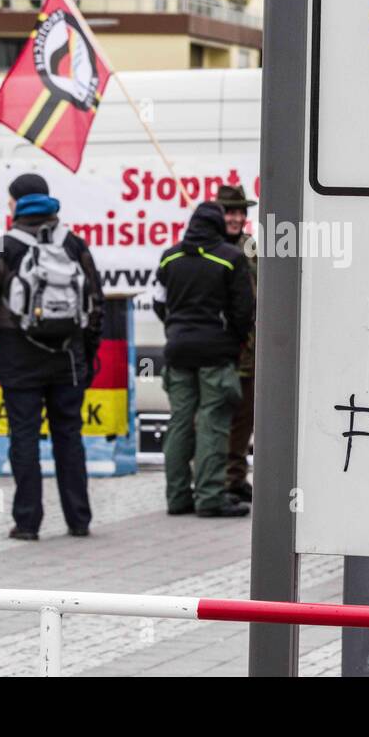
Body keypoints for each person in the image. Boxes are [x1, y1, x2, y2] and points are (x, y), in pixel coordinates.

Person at [0, 173, 104, 540]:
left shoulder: (3, 247)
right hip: (68, 359)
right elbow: (96, 304)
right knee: (68, 438)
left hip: (18, 360)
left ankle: (27, 522)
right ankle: (79, 519)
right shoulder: (73, 244)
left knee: (24, 438)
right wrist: (86, 354)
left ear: (17, 203)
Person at [153, 201, 253, 517]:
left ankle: (178, 497)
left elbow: (158, 302)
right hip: (216, 353)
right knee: (213, 423)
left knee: (180, 423)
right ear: (218, 226)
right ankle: (210, 497)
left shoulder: (169, 256)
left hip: (178, 349)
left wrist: (176, 327)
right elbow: (244, 311)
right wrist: (233, 342)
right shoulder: (230, 258)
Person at [216, 185, 258, 503]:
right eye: (229, 211)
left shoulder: (253, 249)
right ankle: (211, 479)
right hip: (215, 349)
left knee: (244, 418)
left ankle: (234, 477)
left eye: (239, 212)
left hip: (249, 349)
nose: (235, 217)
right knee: (214, 418)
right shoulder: (208, 248)